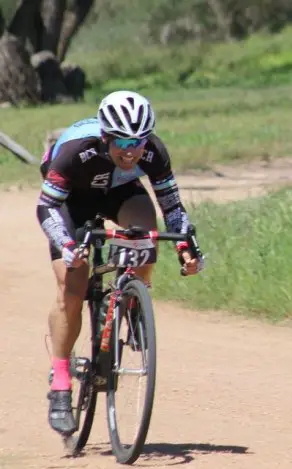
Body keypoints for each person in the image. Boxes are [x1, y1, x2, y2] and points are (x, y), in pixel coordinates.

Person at [37, 90, 205, 436]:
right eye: (122, 142)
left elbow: (172, 207)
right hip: (71, 201)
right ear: (106, 137)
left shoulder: (153, 152)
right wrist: (68, 246)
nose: (130, 150)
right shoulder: (75, 152)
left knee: (146, 236)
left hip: (119, 192)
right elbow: (46, 207)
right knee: (73, 282)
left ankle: (131, 299)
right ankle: (61, 379)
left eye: (138, 141)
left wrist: (187, 248)